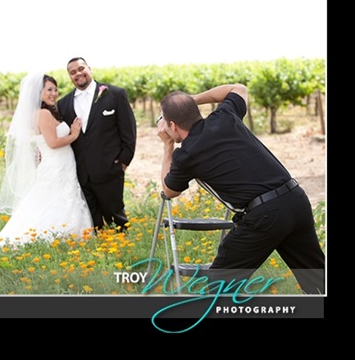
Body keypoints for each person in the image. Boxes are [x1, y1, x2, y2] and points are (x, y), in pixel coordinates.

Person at [156, 83, 325, 294]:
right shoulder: (225, 116)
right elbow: (239, 88)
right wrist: (192, 100)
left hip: (265, 216)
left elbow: (168, 190)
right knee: (318, 279)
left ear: (172, 125)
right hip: (295, 199)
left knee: (219, 284)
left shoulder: (186, 155)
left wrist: (167, 146)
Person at [0, 73, 94, 246]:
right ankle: (57, 233)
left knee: (59, 198)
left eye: (55, 89)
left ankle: (68, 231)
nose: (54, 93)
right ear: (38, 93)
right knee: (55, 199)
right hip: (56, 165)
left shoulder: (44, 112)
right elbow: (53, 143)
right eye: (49, 89)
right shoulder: (43, 113)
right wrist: (74, 134)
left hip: (60, 163)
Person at [57, 57, 137, 231]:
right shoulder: (63, 104)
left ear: (89, 69)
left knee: (117, 220)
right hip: (81, 173)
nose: (78, 74)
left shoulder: (115, 95)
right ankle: (100, 255)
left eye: (81, 68)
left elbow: (129, 130)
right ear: (70, 77)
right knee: (92, 224)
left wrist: (123, 161)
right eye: (72, 72)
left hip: (109, 169)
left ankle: (125, 254)